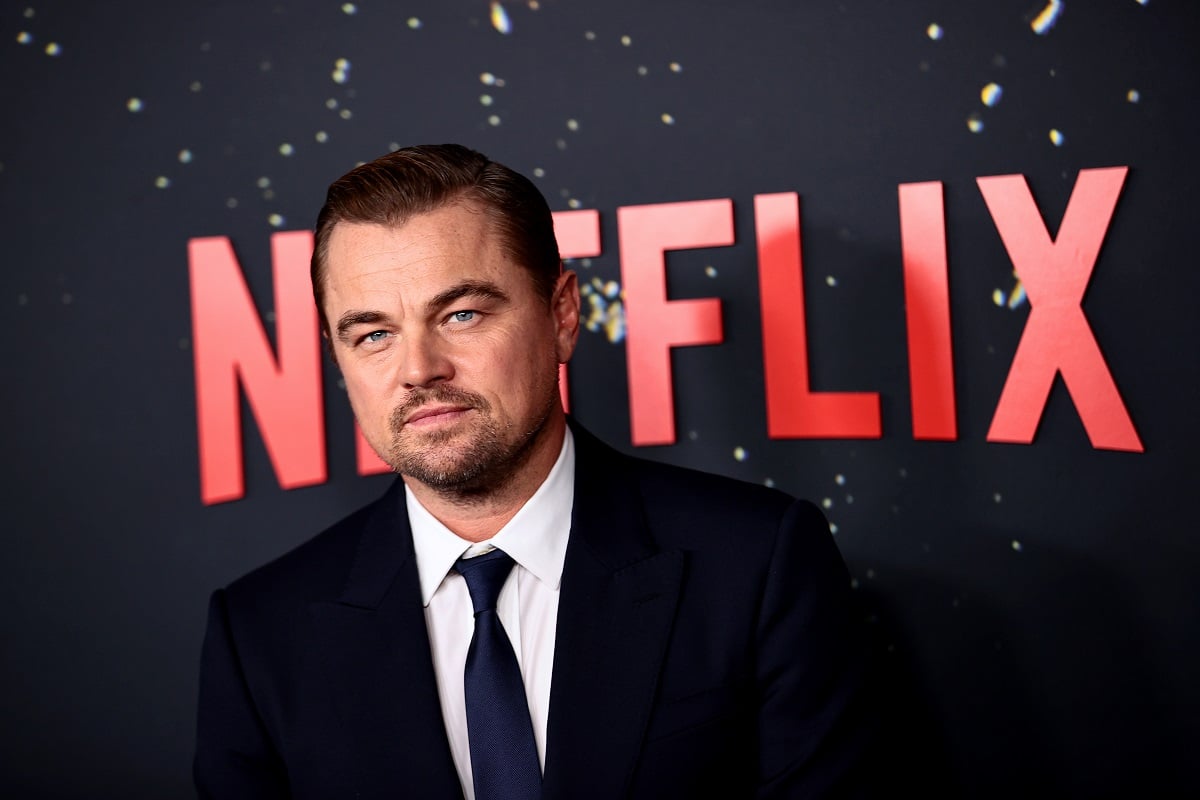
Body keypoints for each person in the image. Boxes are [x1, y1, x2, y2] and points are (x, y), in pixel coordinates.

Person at [194, 144, 875, 798]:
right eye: (373, 334)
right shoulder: (260, 633)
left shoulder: (756, 565)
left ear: (562, 314)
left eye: (461, 314)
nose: (418, 369)